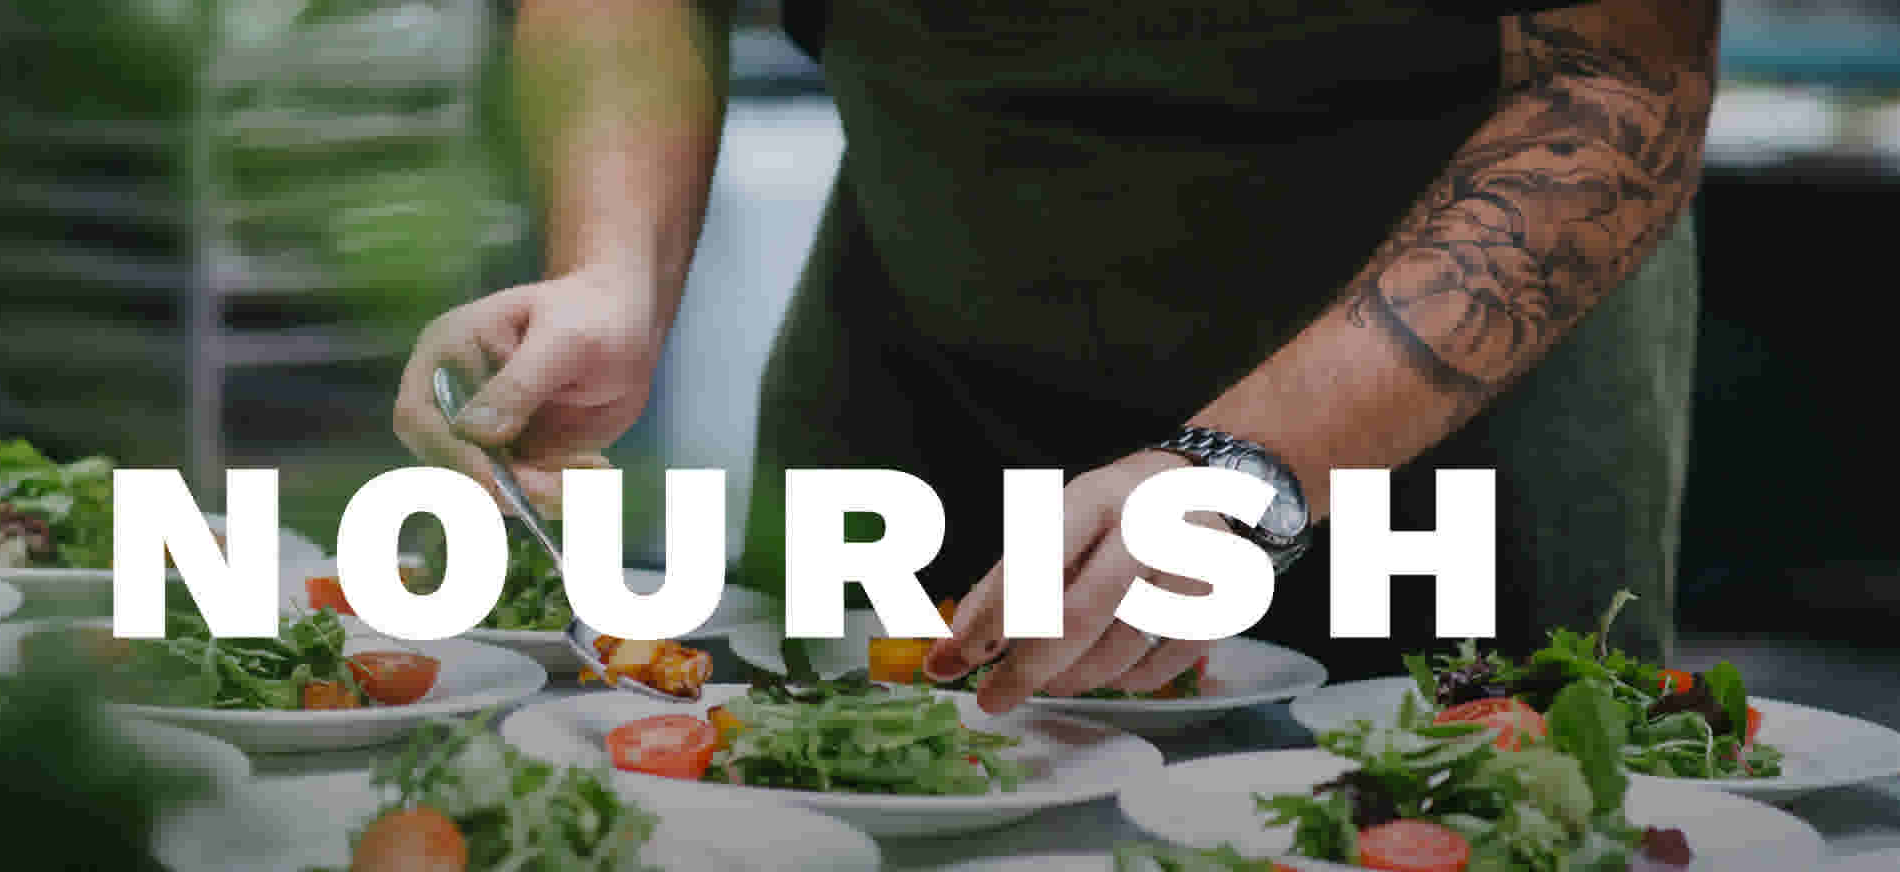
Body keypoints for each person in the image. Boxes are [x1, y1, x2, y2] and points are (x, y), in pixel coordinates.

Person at [392, 0, 1717, 714]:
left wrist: (1255, 465)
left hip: (1435, 414)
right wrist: (613, 265)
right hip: (926, 363)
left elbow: (1619, 80)